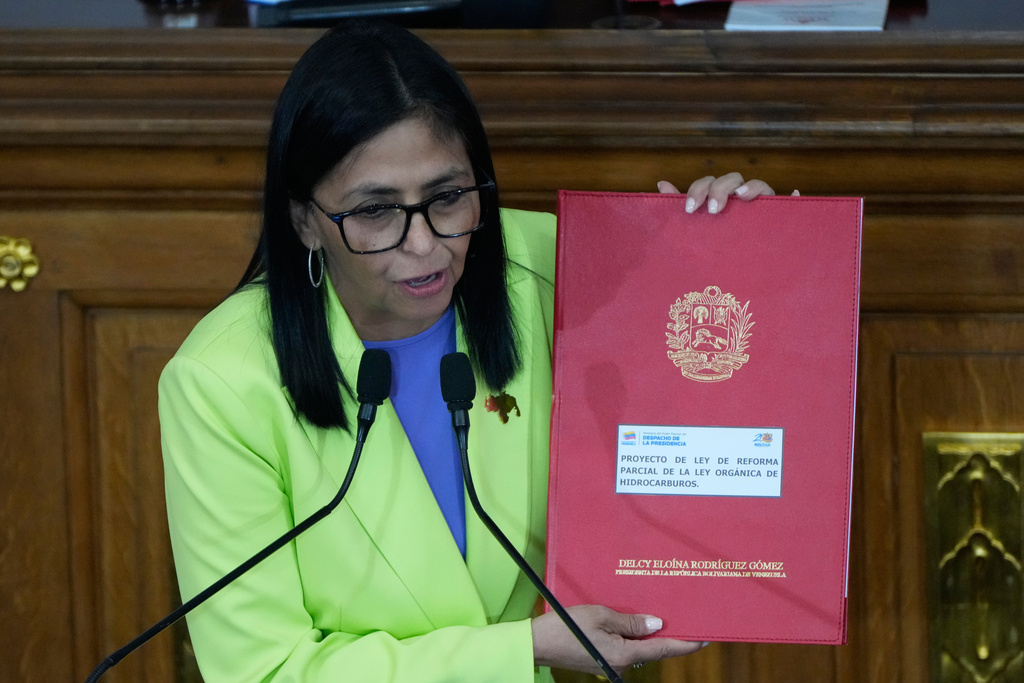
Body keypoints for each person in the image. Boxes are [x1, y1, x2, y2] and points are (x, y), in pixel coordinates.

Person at [159, 20, 779, 683]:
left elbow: (732, 373)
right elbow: (264, 670)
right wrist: (520, 649)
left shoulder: (566, 270)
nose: (424, 245)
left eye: (448, 198)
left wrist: (746, 247)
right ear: (305, 219)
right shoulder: (220, 382)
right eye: (375, 212)